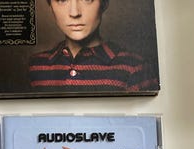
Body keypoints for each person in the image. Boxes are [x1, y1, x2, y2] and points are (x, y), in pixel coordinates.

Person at [29, 0, 158, 93]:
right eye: (62, 0)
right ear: (50, 5)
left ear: (104, 3)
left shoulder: (135, 68)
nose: (74, 13)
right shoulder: (36, 66)